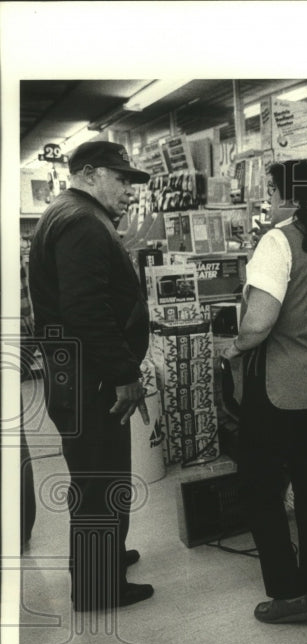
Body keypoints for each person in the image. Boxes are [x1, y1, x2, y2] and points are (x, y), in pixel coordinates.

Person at [220, 159, 307, 624]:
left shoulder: (278, 242)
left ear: (294, 198)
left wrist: (234, 347)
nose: (270, 200)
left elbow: (258, 322)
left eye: (274, 191)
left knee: (259, 489)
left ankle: (288, 592)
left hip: (281, 389)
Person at [27, 141, 153, 611]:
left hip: (76, 377)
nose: (128, 191)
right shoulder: (81, 221)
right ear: (91, 172)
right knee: (99, 481)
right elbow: (86, 311)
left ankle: (109, 556)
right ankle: (99, 587)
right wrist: (124, 372)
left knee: (100, 476)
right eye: (121, 180)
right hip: (92, 380)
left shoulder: (68, 212)